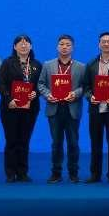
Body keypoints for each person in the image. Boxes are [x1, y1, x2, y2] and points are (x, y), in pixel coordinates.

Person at [38, 34, 86, 183]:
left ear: (73, 48)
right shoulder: (48, 65)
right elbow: (40, 84)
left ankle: (73, 173)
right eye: (62, 44)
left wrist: (75, 94)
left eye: (68, 44)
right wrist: (48, 95)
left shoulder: (81, 67)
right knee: (56, 143)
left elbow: (85, 86)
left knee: (73, 143)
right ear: (57, 47)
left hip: (72, 109)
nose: (64, 47)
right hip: (54, 108)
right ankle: (56, 173)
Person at [83, 32, 109, 184]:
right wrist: (90, 96)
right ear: (99, 44)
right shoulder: (91, 64)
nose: (106, 44)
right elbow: (86, 86)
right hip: (95, 109)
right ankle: (95, 174)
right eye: (103, 41)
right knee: (95, 142)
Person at [0, 34, 42, 183]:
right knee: (11, 140)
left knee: (24, 140)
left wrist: (36, 93)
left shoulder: (36, 64)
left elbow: (41, 84)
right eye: (20, 43)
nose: (24, 45)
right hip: (10, 107)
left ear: (31, 46)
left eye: (26, 42)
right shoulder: (7, 63)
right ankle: (10, 172)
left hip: (30, 108)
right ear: (14, 46)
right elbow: (1, 83)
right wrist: (9, 99)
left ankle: (22, 172)